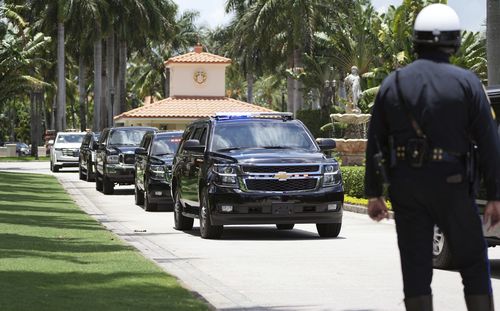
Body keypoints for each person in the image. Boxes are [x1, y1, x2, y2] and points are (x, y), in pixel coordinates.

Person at [364, 4, 500, 311]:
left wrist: (374, 193)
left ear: (416, 40)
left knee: (415, 270)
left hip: (407, 187)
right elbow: (490, 143)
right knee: (475, 265)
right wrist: (495, 195)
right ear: (454, 40)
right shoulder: (467, 83)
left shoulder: (393, 84)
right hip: (453, 184)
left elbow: (375, 143)